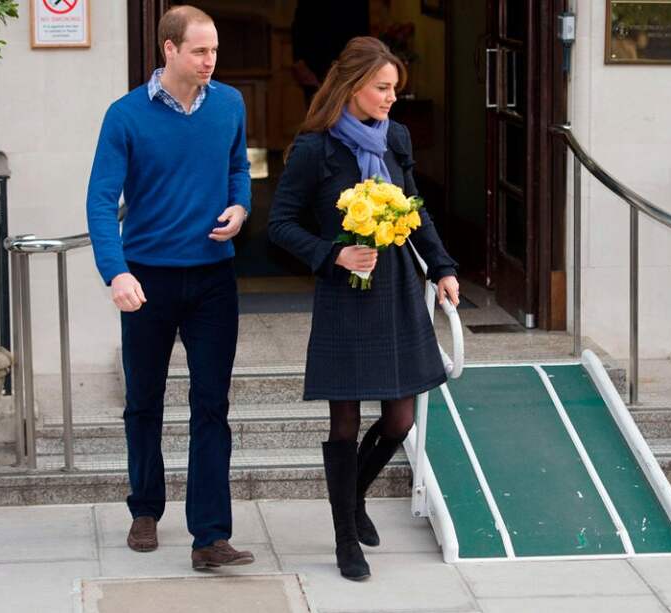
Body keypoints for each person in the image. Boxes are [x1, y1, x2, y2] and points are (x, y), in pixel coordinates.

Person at [268, 36, 460, 581]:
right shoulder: (315, 148)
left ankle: (352, 499)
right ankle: (345, 537)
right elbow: (281, 226)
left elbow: (416, 212)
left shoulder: (395, 138)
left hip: (396, 286)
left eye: (394, 88)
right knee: (345, 424)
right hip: (344, 294)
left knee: (400, 418)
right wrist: (334, 255)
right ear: (352, 87)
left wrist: (442, 267)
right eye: (381, 88)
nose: (391, 97)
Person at [86, 5, 254, 571]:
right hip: (147, 277)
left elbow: (238, 168)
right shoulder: (125, 115)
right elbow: (100, 200)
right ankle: (145, 508)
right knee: (144, 401)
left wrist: (240, 206)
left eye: (214, 52)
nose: (211, 61)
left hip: (213, 278)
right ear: (169, 50)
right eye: (200, 51)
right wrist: (117, 272)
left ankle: (209, 537)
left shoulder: (229, 103)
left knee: (212, 404)